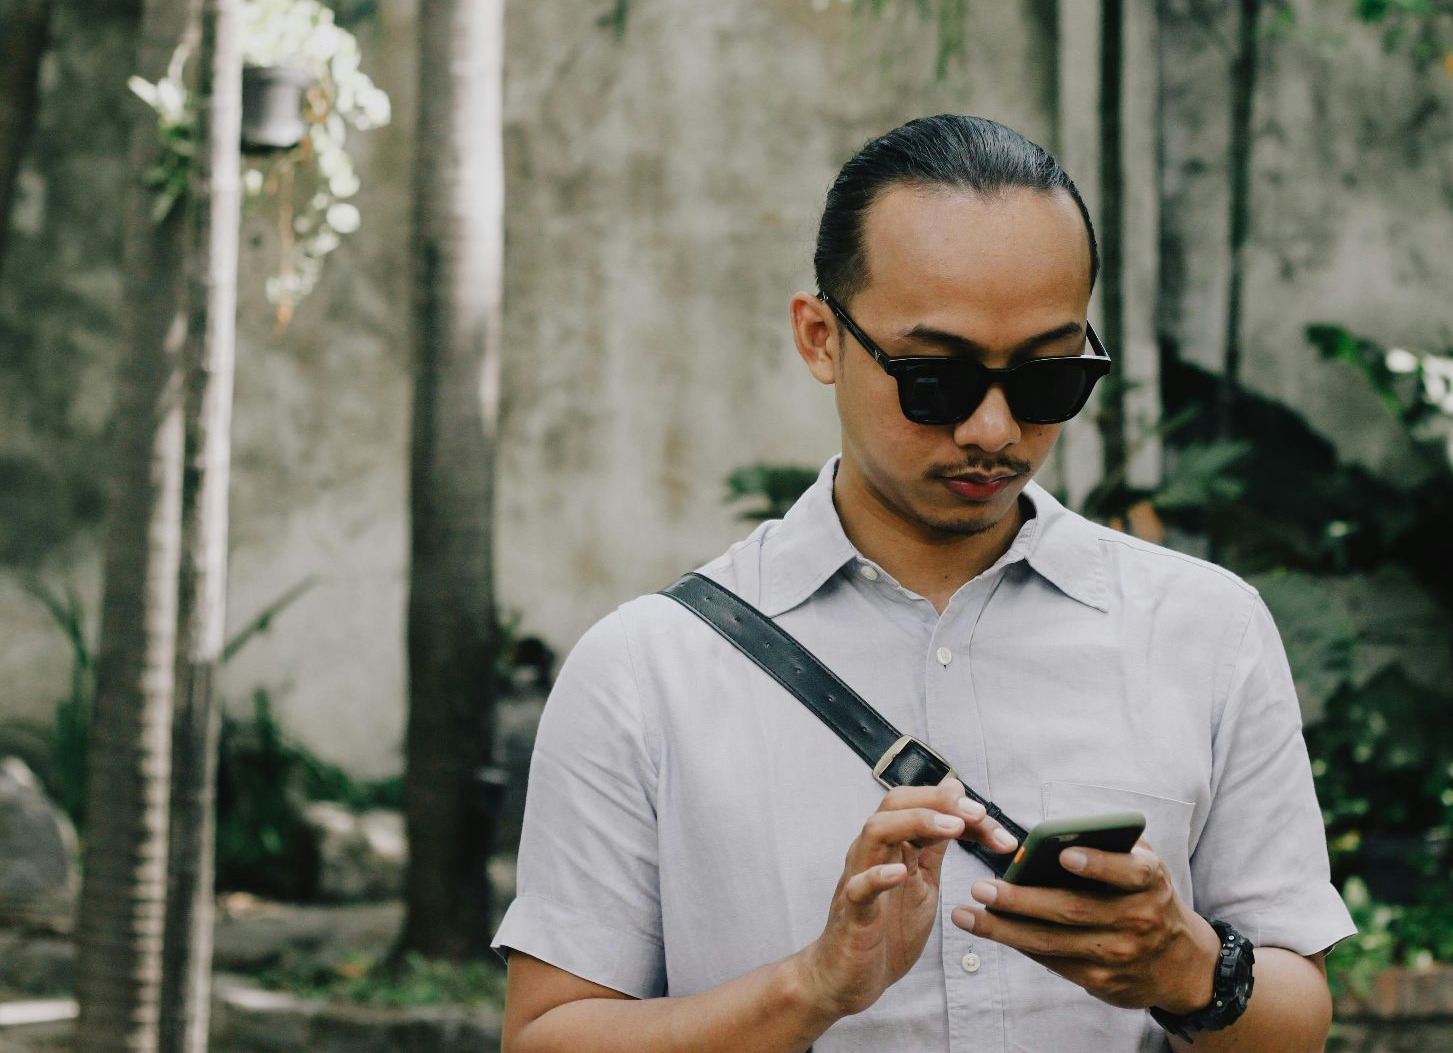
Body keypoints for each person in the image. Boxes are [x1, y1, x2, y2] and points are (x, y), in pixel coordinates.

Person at [491, 114, 1356, 1051]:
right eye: (935, 379)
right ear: (821, 339)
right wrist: (812, 988)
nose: (992, 429)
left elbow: (1296, 1024)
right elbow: (549, 1038)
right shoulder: (647, 670)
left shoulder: (1204, 630)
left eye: (1047, 377)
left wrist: (1187, 969)